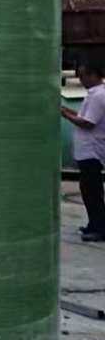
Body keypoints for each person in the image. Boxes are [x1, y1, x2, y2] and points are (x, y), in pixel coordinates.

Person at [61, 61, 105, 242]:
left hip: (92, 151)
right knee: (88, 190)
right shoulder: (95, 94)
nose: (81, 80)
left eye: (83, 76)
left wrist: (65, 115)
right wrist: (66, 110)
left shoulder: (98, 96)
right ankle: (94, 224)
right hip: (88, 151)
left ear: (93, 75)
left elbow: (88, 123)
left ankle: (100, 229)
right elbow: (82, 117)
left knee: (92, 191)